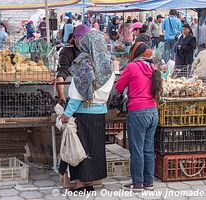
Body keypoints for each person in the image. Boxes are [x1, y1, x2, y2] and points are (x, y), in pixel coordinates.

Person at [59, 30, 115, 192]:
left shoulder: (85, 63)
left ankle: (81, 183)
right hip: (100, 111)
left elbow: (78, 94)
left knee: (82, 147)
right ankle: (90, 181)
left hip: (84, 113)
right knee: (95, 147)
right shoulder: (108, 65)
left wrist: (67, 114)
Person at [115, 42, 162, 191]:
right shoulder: (153, 67)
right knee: (148, 149)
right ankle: (148, 182)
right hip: (153, 112)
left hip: (138, 112)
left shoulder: (132, 67)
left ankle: (137, 184)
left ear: (135, 53)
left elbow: (118, 87)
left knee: (136, 149)